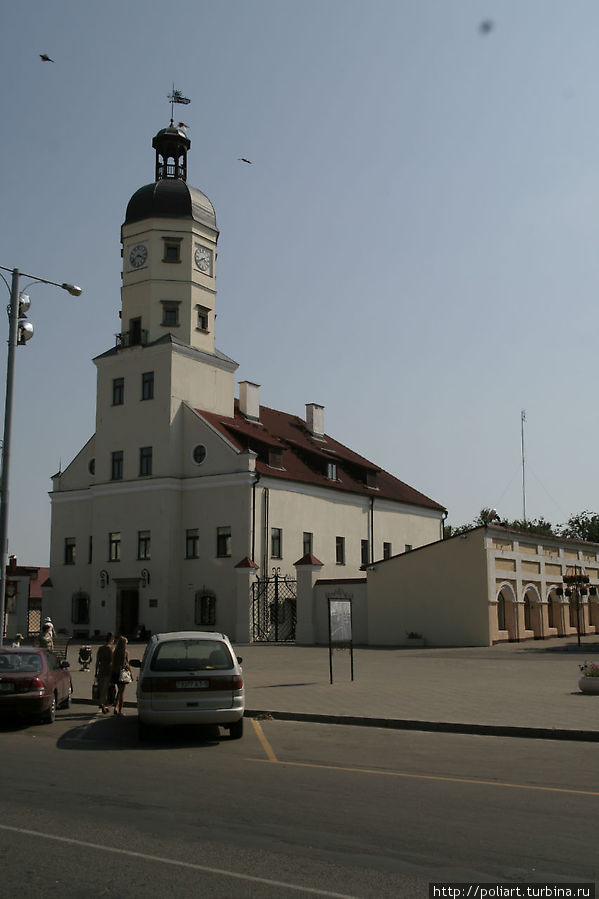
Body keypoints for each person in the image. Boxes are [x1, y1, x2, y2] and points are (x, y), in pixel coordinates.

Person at [111, 636, 133, 716]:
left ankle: (116, 707)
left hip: (114, 673)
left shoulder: (115, 652)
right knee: (122, 692)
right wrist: (131, 674)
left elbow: (112, 663)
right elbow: (127, 664)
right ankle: (119, 710)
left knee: (119, 691)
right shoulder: (125, 652)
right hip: (122, 674)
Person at [94, 632, 115, 714]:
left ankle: (102, 703)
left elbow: (97, 661)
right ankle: (103, 704)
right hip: (108, 670)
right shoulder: (110, 649)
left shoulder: (101, 648)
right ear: (111, 640)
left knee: (101, 688)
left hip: (101, 670)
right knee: (106, 689)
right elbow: (112, 661)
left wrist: (96, 671)